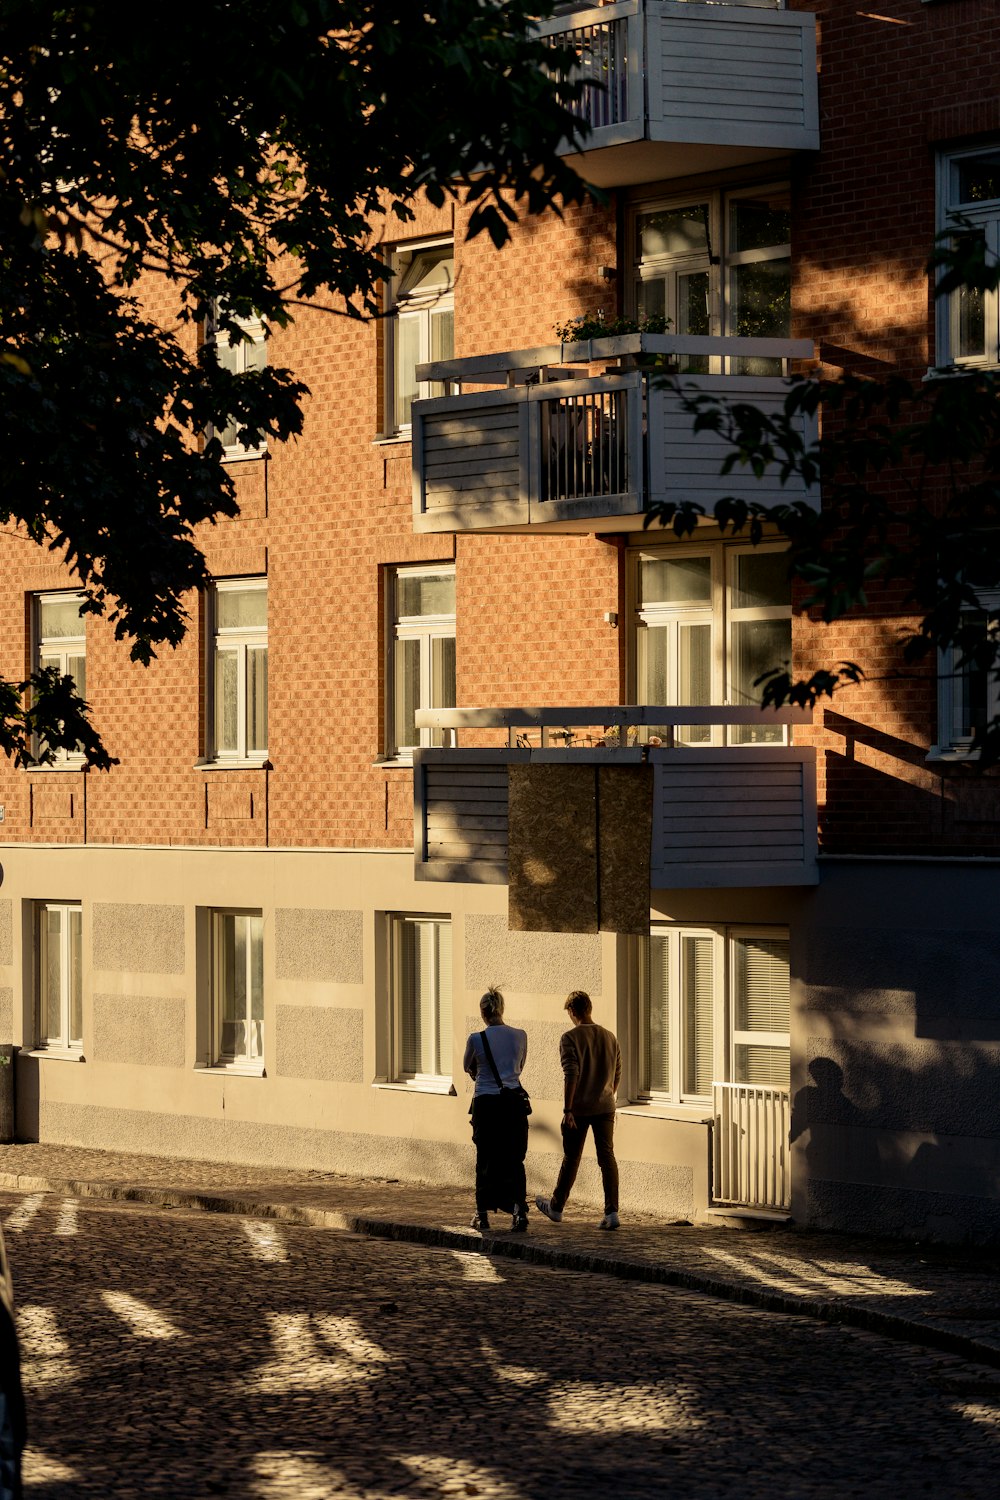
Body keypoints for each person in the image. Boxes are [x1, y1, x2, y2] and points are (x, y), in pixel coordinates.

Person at [536, 990, 621, 1230]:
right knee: (607, 1157)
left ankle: (557, 1207)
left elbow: (571, 1074)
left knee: (572, 1157)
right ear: (590, 1008)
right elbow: (617, 1072)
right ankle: (612, 1211)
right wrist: (606, 1094)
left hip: (580, 1108)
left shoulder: (569, 1038)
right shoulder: (609, 1036)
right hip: (606, 1106)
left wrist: (568, 1109)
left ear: (573, 1011)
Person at [463, 986, 530, 1234]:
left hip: (485, 1103)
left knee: (485, 1158)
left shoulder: (476, 1039)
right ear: (502, 1009)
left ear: (483, 1012)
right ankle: (518, 1211)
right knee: (514, 1158)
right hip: (512, 1103)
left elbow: (466, 1066)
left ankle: (482, 1214)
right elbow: (520, 1067)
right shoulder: (520, 1035)